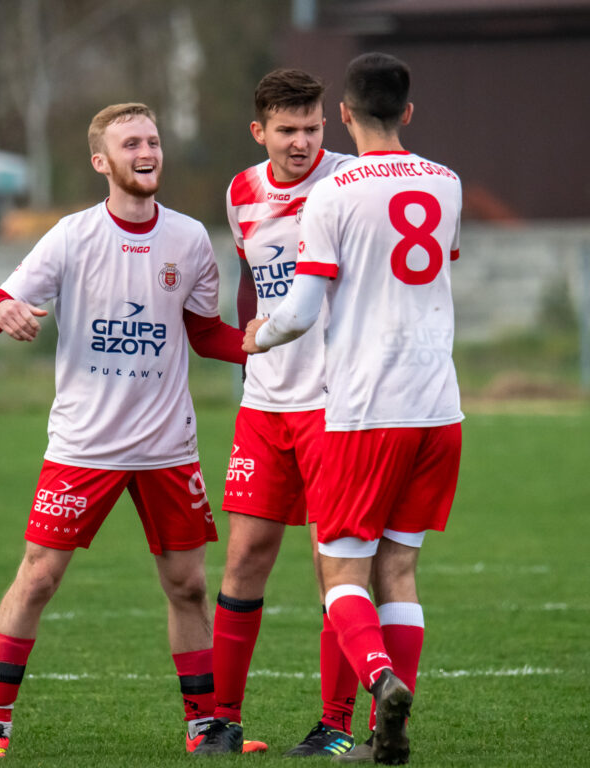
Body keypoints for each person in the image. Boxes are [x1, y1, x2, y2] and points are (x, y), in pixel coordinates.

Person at [0, 102, 259, 759]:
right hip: (84, 446)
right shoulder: (72, 236)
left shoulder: (188, 240)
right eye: (131, 143)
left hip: (167, 447)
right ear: (103, 161)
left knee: (187, 585)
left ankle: (204, 727)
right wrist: (6, 310)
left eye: (153, 140)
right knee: (38, 578)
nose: (147, 150)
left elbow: (204, 333)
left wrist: (261, 346)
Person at [243, 52, 464, 765]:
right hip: (440, 408)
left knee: (344, 573)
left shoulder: (332, 196)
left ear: (342, 115)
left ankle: (378, 679)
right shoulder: (447, 182)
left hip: (367, 410)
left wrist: (259, 333)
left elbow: (302, 312)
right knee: (399, 570)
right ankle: (384, 732)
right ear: (408, 112)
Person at [201, 68, 359, 757]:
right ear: (259, 130)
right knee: (244, 560)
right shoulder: (241, 191)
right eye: (288, 130)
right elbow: (249, 285)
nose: (302, 142)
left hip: (339, 404)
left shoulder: (355, 183)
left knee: (336, 565)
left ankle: (337, 726)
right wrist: (246, 363)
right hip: (264, 403)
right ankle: (222, 721)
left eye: (314, 127)